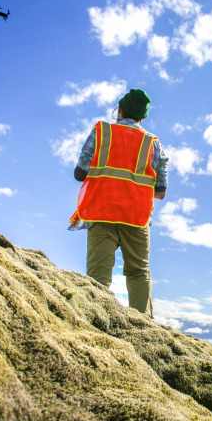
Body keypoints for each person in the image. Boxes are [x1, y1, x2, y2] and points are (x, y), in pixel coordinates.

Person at [68, 88, 168, 318]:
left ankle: (95, 322)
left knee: (98, 276)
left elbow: (79, 173)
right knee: (138, 272)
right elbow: (161, 191)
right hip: (136, 217)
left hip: (100, 213)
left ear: (120, 111)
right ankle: (144, 327)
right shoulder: (153, 143)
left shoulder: (102, 132)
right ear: (142, 117)